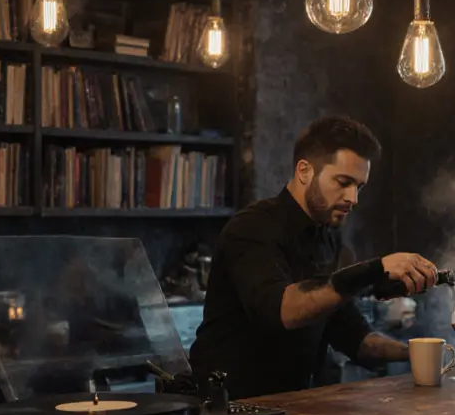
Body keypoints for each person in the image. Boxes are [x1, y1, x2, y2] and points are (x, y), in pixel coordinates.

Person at [188, 116, 440, 398]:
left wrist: (419, 353)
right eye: (343, 182)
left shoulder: (328, 237)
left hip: (294, 404)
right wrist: (374, 270)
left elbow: (352, 334)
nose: (353, 198)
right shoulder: (252, 227)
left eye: (360, 187)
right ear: (305, 171)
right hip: (228, 406)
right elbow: (283, 310)